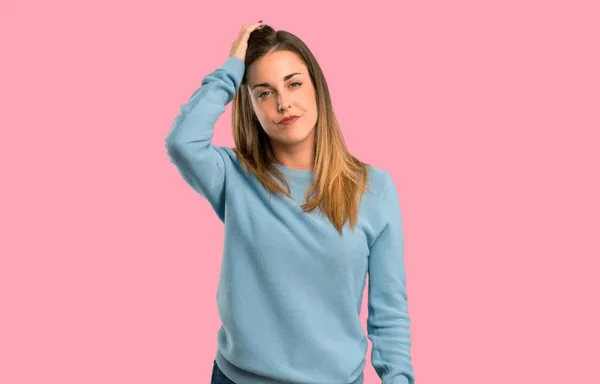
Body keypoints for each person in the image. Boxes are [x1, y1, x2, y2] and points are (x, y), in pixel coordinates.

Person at [165, 21, 415, 384]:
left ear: (317, 87)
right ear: (249, 104)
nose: (283, 103)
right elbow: (182, 141)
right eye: (264, 93)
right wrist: (232, 67)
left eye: (294, 83)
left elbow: (389, 312)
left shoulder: (373, 189)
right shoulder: (234, 177)